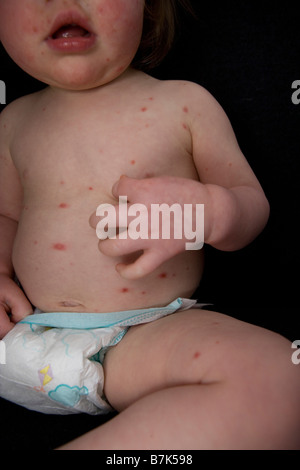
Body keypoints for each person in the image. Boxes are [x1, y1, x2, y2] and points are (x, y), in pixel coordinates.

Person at [0, 0, 299, 450]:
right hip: (20, 332)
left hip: (141, 338)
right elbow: (6, 216)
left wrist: (207, 211)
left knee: (283, 381)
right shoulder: (12, 122)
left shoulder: (183, 103)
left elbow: (251, 205)